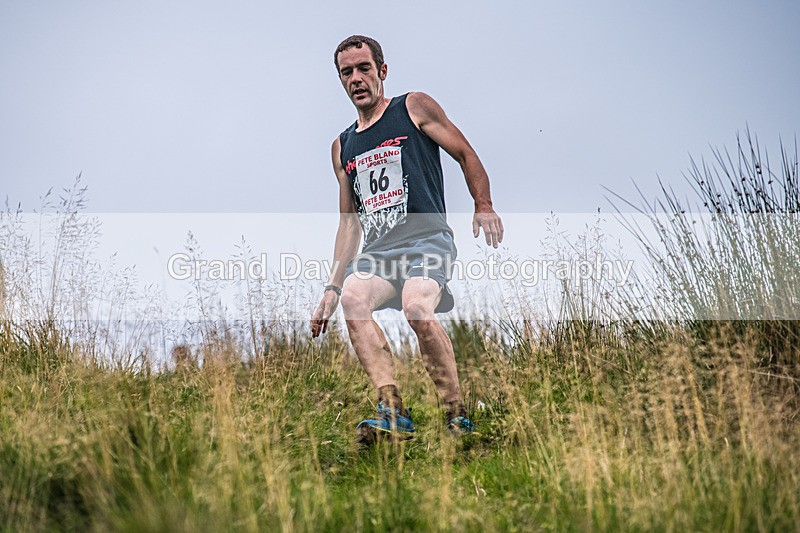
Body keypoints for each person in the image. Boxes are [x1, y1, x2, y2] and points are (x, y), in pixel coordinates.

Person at [311, 35, 503, 443]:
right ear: (340, 80)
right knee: (352, 299)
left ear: (382, 71)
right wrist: (331, 287)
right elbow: (349, 224)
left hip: (427, 242)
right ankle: (393, 411)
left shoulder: (412, 107)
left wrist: (483, 203)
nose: (356, 78)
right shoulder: (343, 146)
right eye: (347, 72)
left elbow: (465, 153)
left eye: (364, 68)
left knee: (416, 307)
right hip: (380, 253)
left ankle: (456, 415)